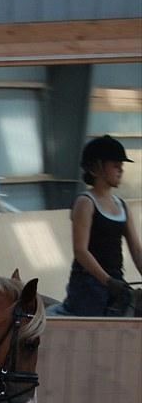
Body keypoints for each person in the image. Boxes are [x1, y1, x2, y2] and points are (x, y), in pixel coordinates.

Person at [60, 135, 142, 316]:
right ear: (96, 168)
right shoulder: (85, 202)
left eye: (121, 165)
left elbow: (136, 249)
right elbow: (81, 251)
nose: (121, 169)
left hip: (117, 283)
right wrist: (108, 281)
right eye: (115, 165)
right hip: (88, 286)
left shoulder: (122, 205)